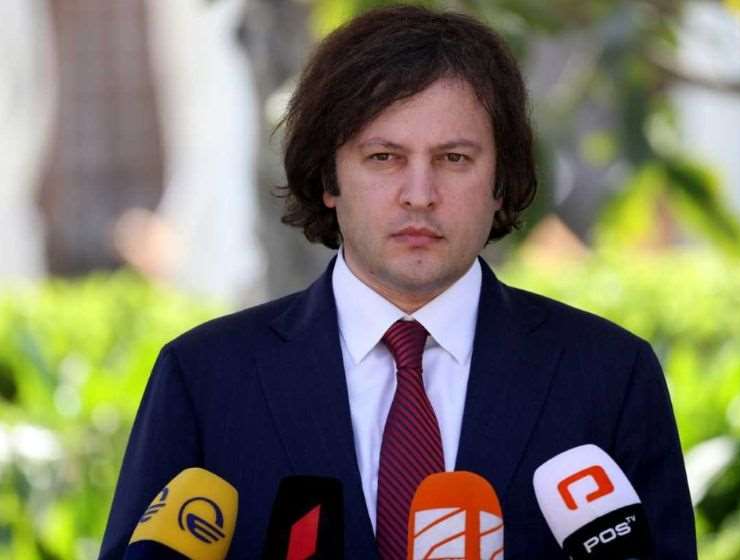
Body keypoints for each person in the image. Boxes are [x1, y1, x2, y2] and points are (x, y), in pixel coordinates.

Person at [100, 5, 696, 558]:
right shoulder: (206, 379)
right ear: (329, 178)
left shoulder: (607, 375)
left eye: (454, 159)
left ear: (500, 181)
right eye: (383, 157)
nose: (419, 194)